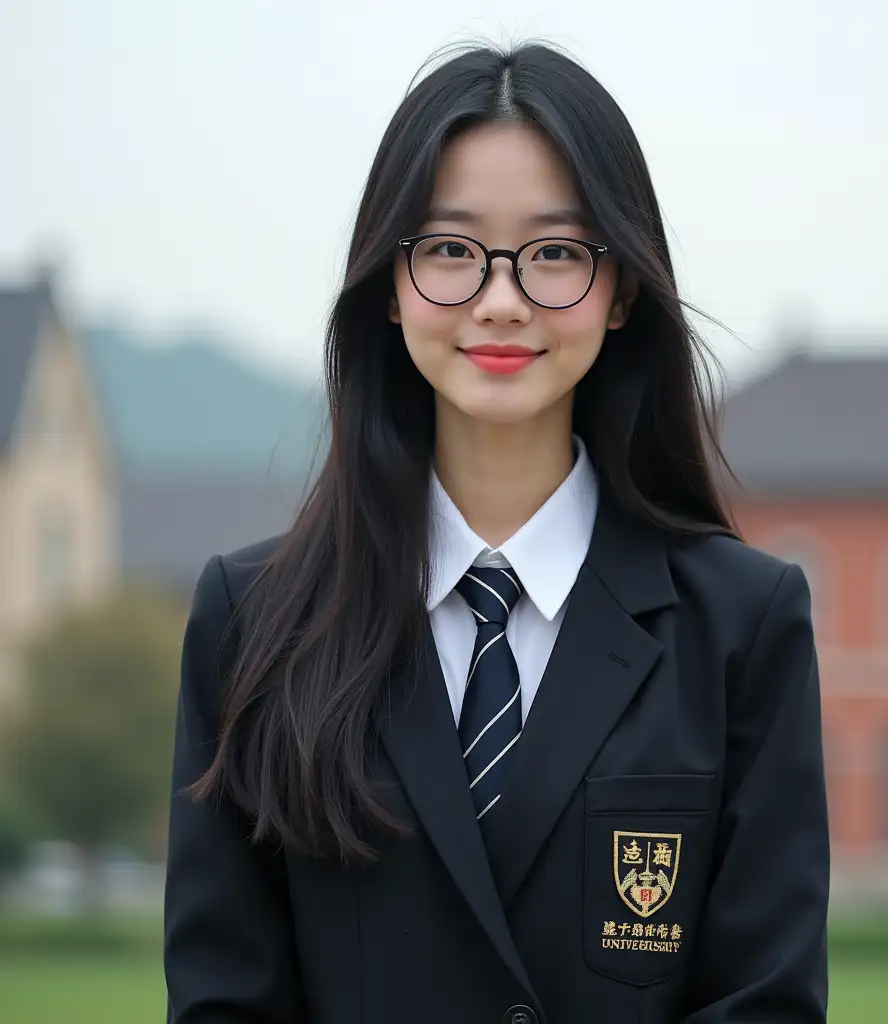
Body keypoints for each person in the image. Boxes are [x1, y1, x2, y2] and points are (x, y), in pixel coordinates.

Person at [164, 41, 829, 1024]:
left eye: (556, 252)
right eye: (449, 249)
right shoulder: (250, 621)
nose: (502, 298)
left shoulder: (742, 626)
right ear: (389, 286)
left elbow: (765, 1002)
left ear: (623, 291)